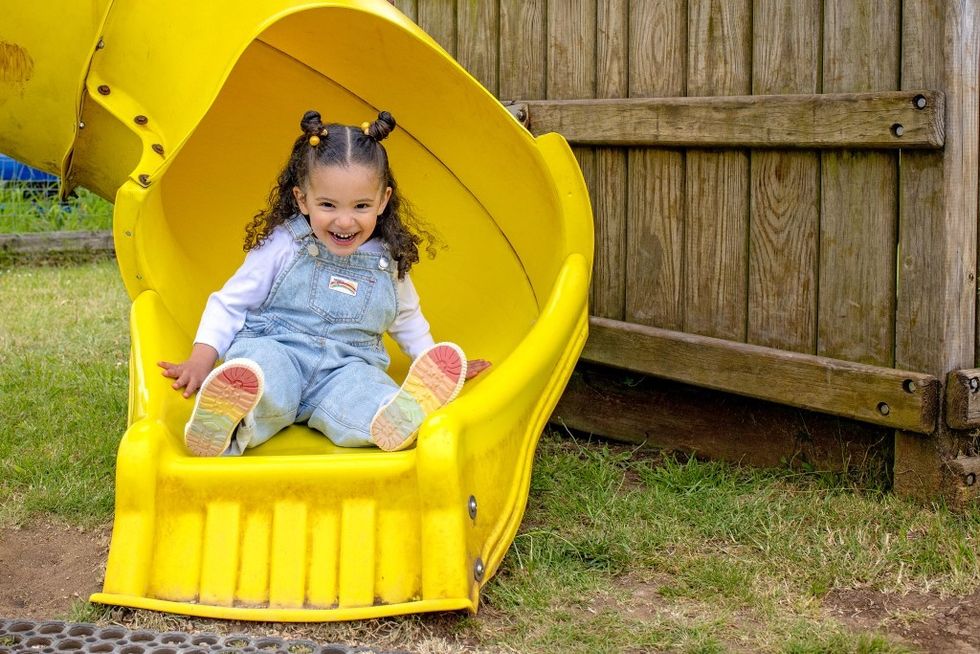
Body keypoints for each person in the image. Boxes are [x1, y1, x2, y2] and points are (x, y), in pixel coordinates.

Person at [158, 110, 490, 457]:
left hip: (346, 367)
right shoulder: (285, 244)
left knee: (365, 392)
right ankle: (227, 423)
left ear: (383, 200)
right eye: (328, 205)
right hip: (279, 347)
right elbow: (231, 302)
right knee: (264, 378)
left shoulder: (388, 260)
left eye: (361, 205)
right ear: (303, 200)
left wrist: (430, 362)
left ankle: (392, 418)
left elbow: (406, 318)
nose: (344, 221)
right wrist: (201, 358)